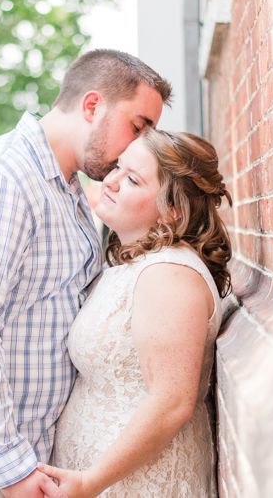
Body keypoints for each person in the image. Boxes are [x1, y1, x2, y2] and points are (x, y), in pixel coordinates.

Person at [0, 50, 173, 498]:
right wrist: (12, 466)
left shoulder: (72, 194)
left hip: (19, 463)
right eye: (137, 127)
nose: (139, 146)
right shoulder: (0, 176)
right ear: (92, 105)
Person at [37, 128, 233, 497]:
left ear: (171, 211)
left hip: (139, 484)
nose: (110, 181)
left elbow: (172, 402)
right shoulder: (135, 266)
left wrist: (90, 481)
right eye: (117, 168)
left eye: (132, 179)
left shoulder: (170, 274)